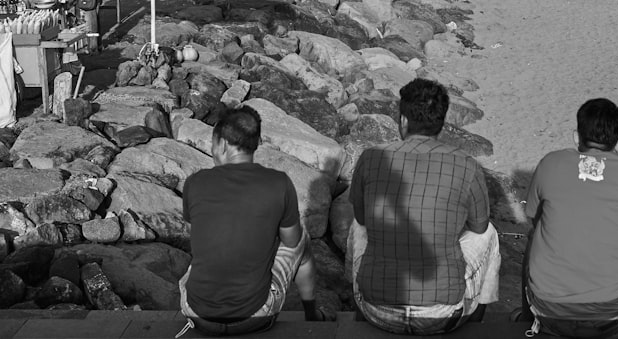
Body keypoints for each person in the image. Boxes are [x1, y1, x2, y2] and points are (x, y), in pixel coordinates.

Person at [348, 78, 500, 334]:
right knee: (489, 233)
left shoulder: (371, 157)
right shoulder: (466, 164)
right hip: (442, 314)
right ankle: (475, 321)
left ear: (404, 120)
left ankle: (356, 307)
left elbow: (362, 219)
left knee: (357, 225)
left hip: (376, 310)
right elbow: (479, 225)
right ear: (441, 123)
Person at [179, 106, 329, 335]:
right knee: (303, 241)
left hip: (197, 314)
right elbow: (291, 241)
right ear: (256, 143)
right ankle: (312, 314)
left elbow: (196, 233)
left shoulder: (195, 182)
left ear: (222, 144)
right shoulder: (279, 183)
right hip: (255, 316)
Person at [521, 98, 618, 338]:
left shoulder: (550, 163)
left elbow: (533, 216)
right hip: (613, 318)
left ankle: (526, 314)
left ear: (576, 137)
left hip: (548, 312)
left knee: (537, 234)